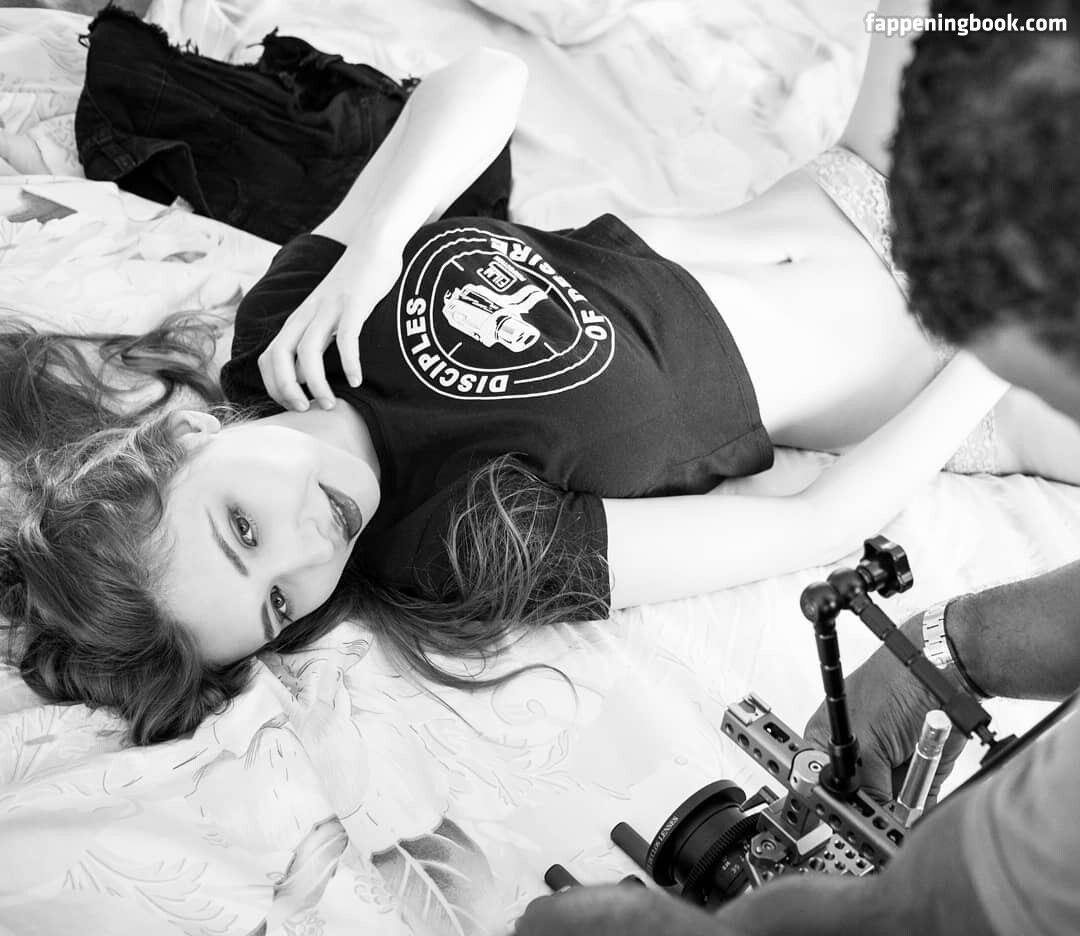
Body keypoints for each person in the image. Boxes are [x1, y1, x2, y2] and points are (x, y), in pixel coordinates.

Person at [0, 2, 1070, 747]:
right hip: (969, 363)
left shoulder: (288, 332)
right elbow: (815, 522)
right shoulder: (453, 549)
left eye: (241, 528)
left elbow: (488, 83)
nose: (308, 550)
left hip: (870, 177)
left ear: (187, 438)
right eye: (278, 603)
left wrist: (373, 241)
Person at [515, 0, 1080, 934]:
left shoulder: (324, 316)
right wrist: (957, 643)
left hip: (909, 266)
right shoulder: (457, 529)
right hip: (936, 334)